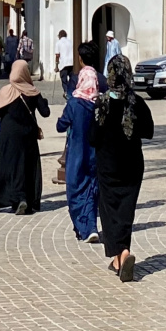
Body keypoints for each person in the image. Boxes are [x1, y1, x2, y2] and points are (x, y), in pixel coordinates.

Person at [92, 52, 154, 282]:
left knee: (109, 212)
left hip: (108, 166)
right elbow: (148, 131)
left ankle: (121, 254)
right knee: (126, 211)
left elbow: (92, 137)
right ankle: (120, 257)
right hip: (132, 166)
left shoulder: (101, 103)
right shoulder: (137, 102)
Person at [0, 60, 50, 215]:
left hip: (8, 136)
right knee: (26, 167)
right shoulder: (32, 91)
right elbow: (45, 112)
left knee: (9, 167)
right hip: (27, 136)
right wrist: (43, 101)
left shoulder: (7, 91)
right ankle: (25, 198)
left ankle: (13, 199)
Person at [57, 65, 100, 243]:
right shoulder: (98, 104)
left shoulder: (74, 103)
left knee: (75, 190)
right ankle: (91, 227)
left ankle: (83, 228)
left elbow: (61, 126)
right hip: (94, 154)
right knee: (91, 190)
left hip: (77, 153)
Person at [54, 29, 73, 96]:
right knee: (72, 79)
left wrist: (56, 66)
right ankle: (71, 92)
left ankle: (67, 92)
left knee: (64, 80)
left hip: (63, 64)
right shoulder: (71, 41)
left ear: (59, 36)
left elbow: (57, 55)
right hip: (71, 63)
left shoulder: (58, 43)